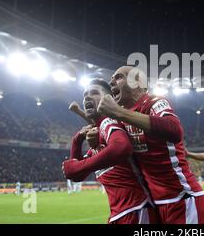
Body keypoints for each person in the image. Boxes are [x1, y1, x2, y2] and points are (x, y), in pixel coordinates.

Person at [96, 66, 204, 224]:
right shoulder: (122, 119)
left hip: (184, 201)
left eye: (118, 77)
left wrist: (119, 112)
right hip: (157, 207)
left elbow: (174, 130)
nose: (111, 82)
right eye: (112, 79)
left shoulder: (155, 102)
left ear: (138, 82)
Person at [62, 79, 157, 224]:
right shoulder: (100, 134)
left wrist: (78, 166)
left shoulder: (109, 122)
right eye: (85, 95)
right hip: (123, 213)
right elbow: (77, 175)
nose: (87, 97)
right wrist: (77, 141)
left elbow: (121, 147)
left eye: (94, 93)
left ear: (109, 99)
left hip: (137, 210)